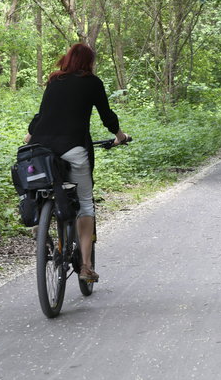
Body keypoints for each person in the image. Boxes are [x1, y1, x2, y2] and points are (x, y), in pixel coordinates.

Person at [24, 43, 129, 282]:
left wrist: (31, 135)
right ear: (89, 62)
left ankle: (41, 231)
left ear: (68, 59)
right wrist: (120, 136)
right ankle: (86, 267)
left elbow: (42, 114)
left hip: (41, 150)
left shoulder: (54, 81)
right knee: (84, 203)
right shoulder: (92, 82)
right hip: (73, 148)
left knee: (40, 190)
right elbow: (107, 116)